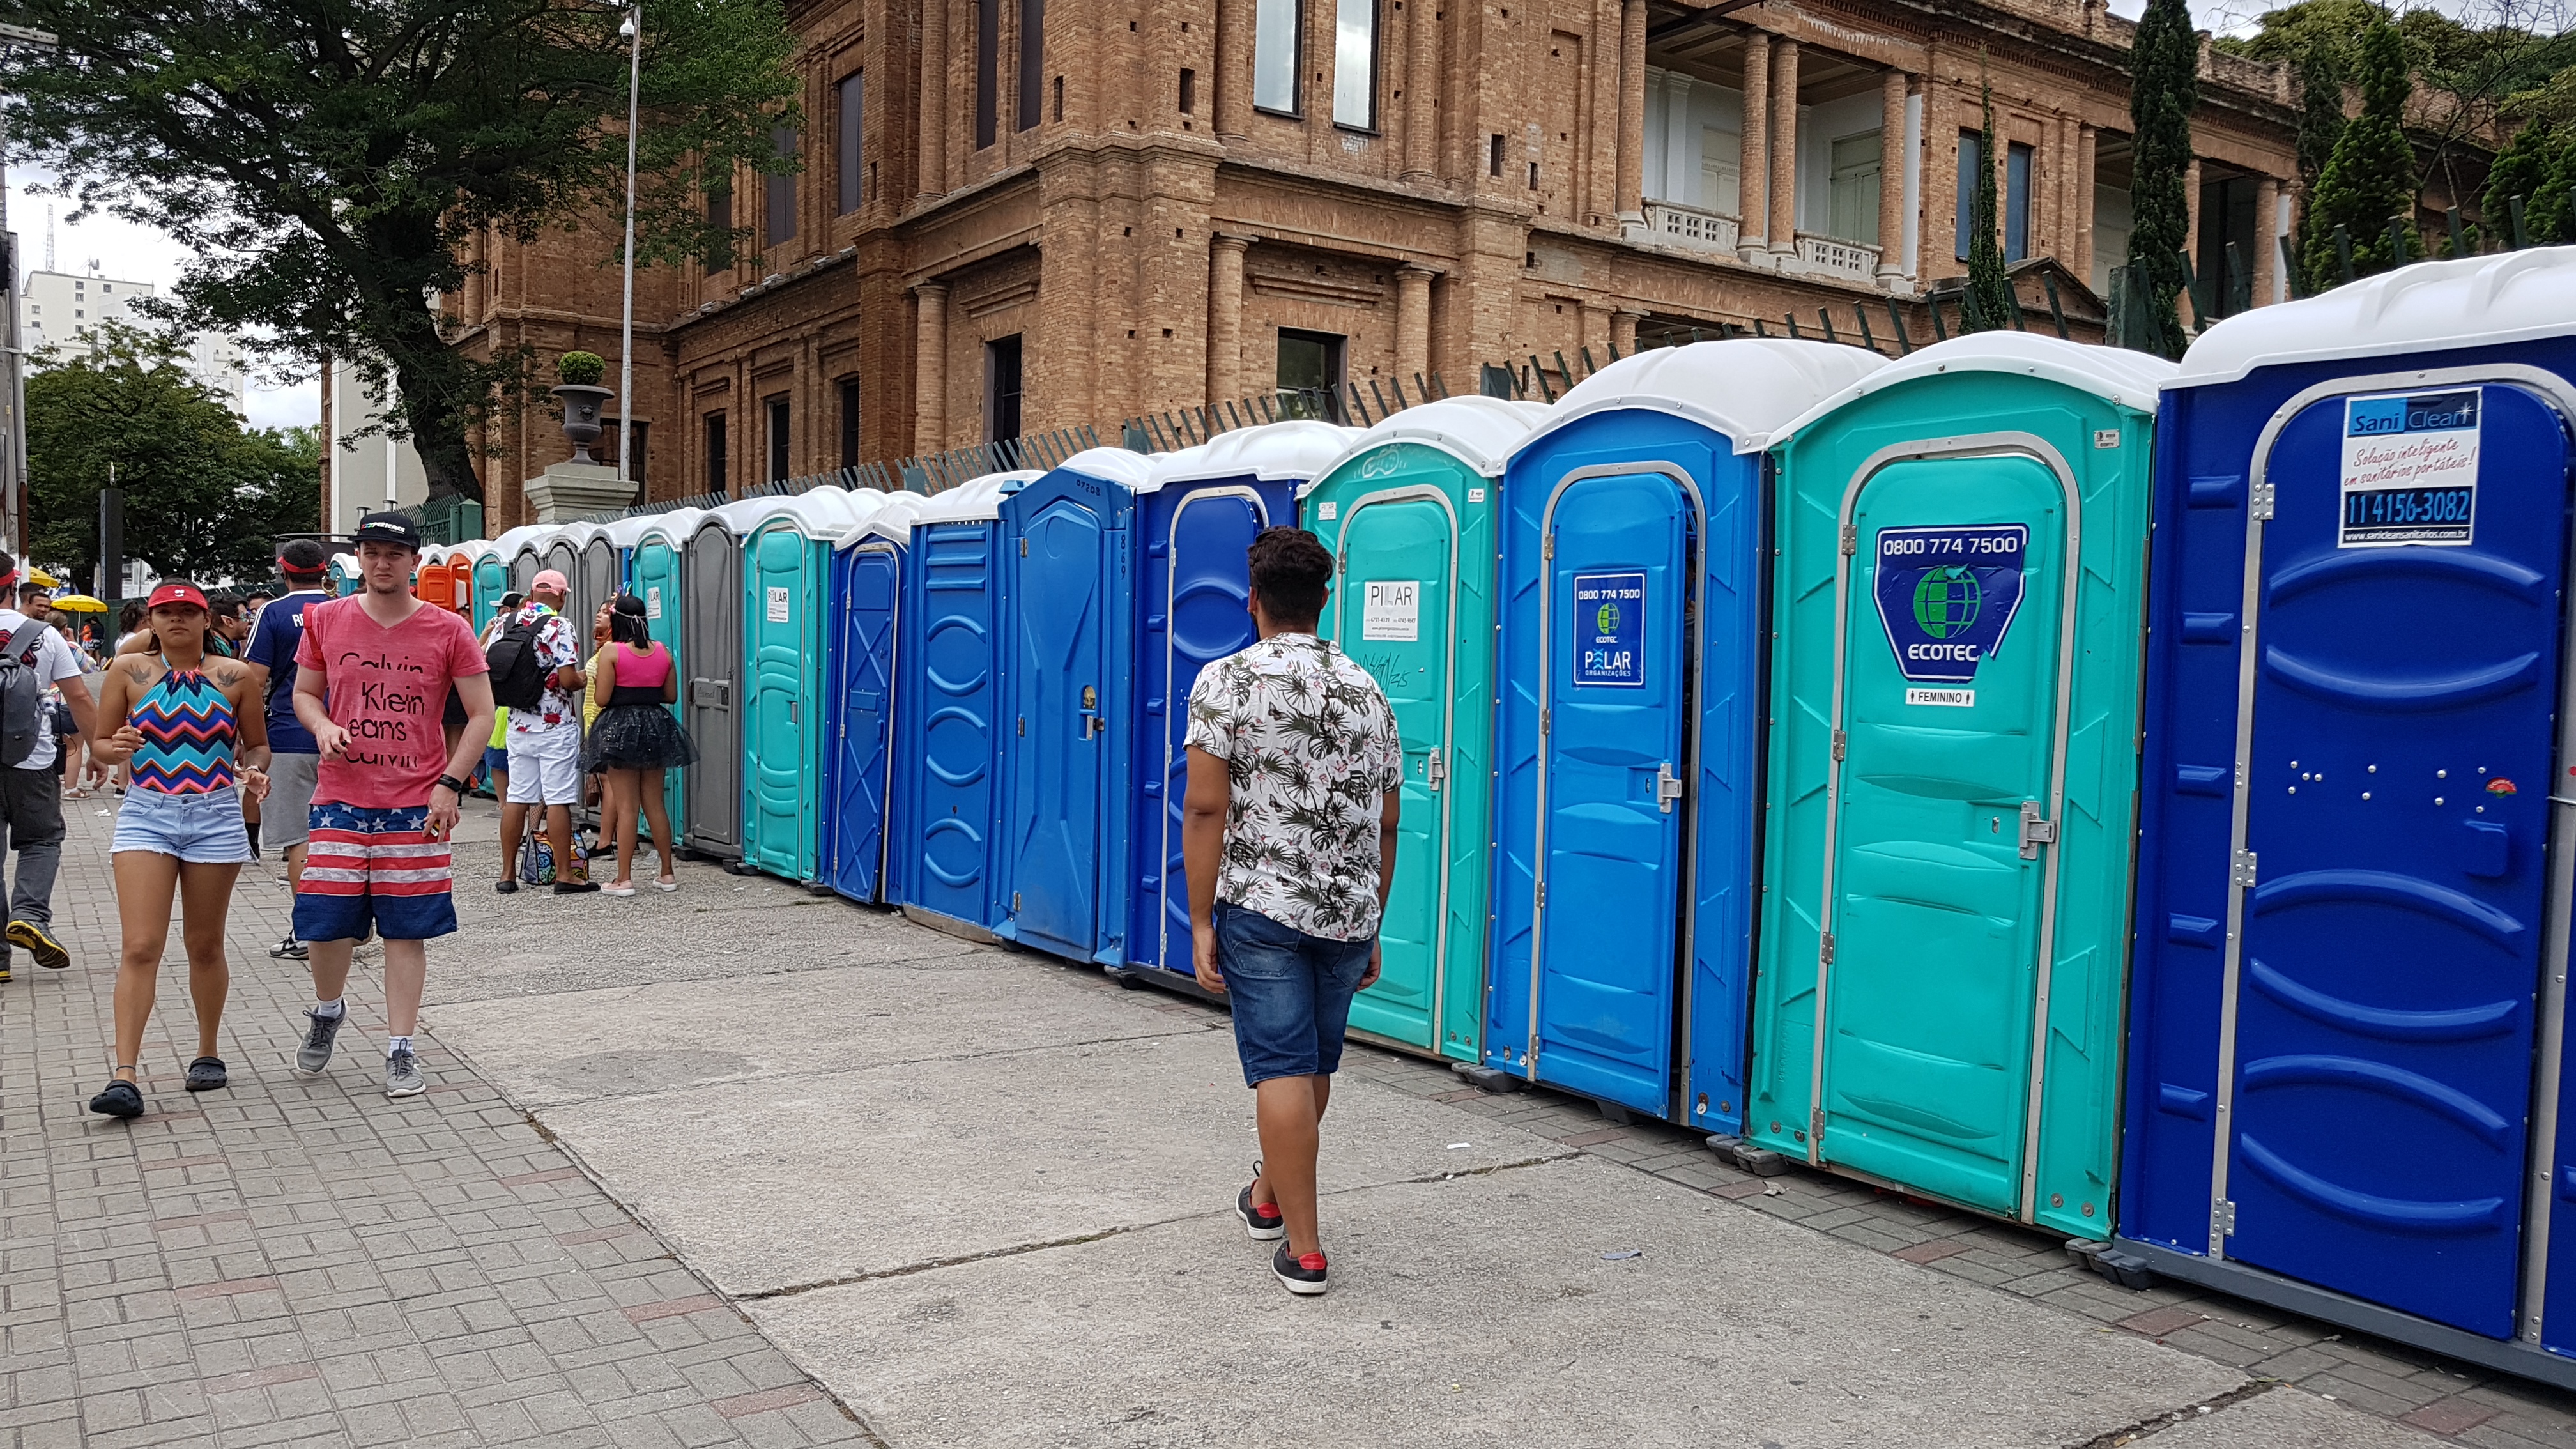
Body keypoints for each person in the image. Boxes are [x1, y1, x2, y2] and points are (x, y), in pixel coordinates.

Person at [1182, 527, 1402, 1299]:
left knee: (1281, 1064)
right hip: (1347, 906)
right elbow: (1386, 818)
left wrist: (1201, 919)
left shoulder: (1226, 683)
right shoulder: (1366, 689)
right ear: (1325, 599)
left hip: (1263, 906)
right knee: (1312, 1062)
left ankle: (1304, 1249)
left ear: (1254, 601)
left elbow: (1207, 807)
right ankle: (1269, 1196)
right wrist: (1374, 911)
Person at [288, 512, 496, 1098]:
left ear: (413, 561)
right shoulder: (324, 619)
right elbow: (304, 693)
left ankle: (401, 1048)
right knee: (326, 925)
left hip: (417, 800)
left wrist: (452, 784)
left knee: (407, 930)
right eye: (372, 552)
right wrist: (323, 724)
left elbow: (482, 713)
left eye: (394, 553)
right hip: (339, 799)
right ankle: (328, 1009)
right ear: (359, 557)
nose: (383, 563)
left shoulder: (448, 629)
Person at [82, 581, 271, 1118]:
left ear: (206, 619)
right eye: (167, 612)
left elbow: (256, 742)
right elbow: (99, 740)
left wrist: (255, 770)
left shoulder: (236, 677)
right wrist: (111, 746)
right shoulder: (127, 671)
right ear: (152, 619)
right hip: (147, 812)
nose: (178, 621)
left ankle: (207, 1050)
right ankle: (124, 1075)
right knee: (141, 944)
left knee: (204, 943)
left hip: (214, 814)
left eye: (189, 611)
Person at [0, 554, 100, 981]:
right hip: (32, 757)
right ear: (12, 586)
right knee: (42, 838)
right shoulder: (42, 634)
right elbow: (79, 697)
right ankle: (30, 914)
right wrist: (100, 748)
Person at [243, 540, 335, 959]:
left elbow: (252, 680)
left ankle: (307, 932)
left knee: (300, 837)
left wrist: (243, 739)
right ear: (325, 572)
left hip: (290, 736)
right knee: (344, 834)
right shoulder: (347, 610)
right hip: (346, 737)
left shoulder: (273, 613)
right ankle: (353, 922)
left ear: (283, 572)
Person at [493, 571, 596, 896]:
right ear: (562, 597)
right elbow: (568, 680)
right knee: (558, 800)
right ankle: (565, 874)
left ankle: (508, 874)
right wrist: (584, 679)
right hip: (554, 727)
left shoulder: (506, 623)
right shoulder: (559, 626)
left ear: (532, 593)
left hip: (517, 724)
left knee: (517, 797)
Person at [583, 595, 694, 894]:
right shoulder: (663, 651)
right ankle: (667, 874)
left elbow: (602, 699)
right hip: (656, 726)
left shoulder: (611, 652)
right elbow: (670, 695)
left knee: (627, 806)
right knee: (655, 804)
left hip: (620, 728)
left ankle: (624, 879)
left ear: (617, 620)